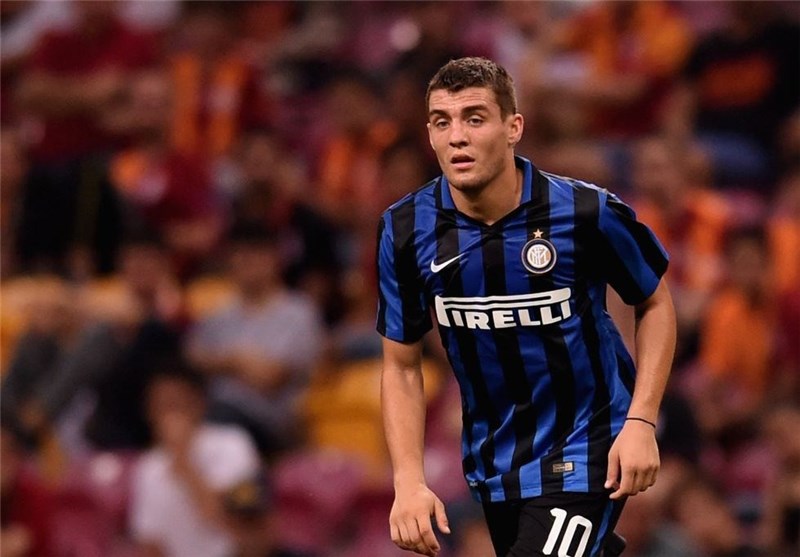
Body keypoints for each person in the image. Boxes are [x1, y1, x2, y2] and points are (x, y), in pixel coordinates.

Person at [376, 57, 676, 557]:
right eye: (441, 122)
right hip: (495, 463)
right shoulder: (405, 230)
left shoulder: (585, 212)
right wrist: (408, 482)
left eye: (474, 118)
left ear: (513, 127)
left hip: (589, 444)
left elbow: (655, 302)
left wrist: (641, 422)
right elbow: (402, 364)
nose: (457, 137)